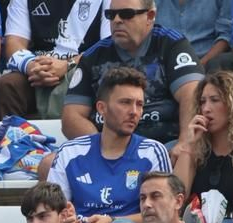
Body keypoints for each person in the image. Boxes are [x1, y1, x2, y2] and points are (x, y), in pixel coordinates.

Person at [46, 67, 174, 223]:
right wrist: (66, 217)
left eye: (139, 104)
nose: (134, 112)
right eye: (125, 103)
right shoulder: (70, 153)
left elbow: (166, 212)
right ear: (101, 108)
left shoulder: (152, 152)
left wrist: (111, 221)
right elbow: (51, 210)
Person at [62, 0, 200, 145]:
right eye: (111, 15)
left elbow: (192, 95)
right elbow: (71, 117)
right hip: (107, 147)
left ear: (150, 16)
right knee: (48, 162)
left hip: (164, 147)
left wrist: (185, 144)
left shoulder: (171, 44)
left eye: (126, 14)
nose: (116, 20)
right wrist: (104, 149)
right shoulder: (93, 55)